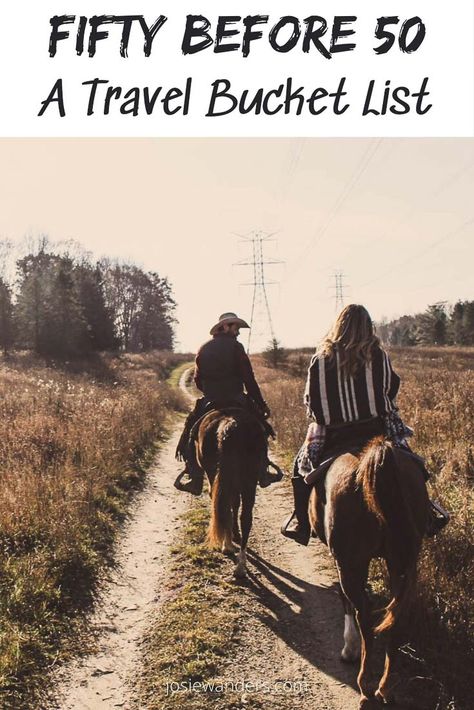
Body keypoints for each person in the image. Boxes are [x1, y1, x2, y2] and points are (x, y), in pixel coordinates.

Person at [281, 303, 450, 545]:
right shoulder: (379, 355)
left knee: (300, 468)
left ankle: (301, 523)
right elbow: (391, 389)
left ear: (339, 326)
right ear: (367, 328)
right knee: (412, 463)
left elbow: (313, 403)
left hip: (335, 435)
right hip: (377, 431)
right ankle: (427, 514)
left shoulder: (320, 360)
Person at [175, 311, 283, 495]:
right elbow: (248, 379)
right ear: (224, 327)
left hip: (210, 400)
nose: (238, 331)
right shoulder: (236, 347)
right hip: (236, 398)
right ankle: (263, 470)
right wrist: (260, 403)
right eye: (236, 327)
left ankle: (194, 475)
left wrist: (212, 391)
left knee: (191, 431)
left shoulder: (203, 348)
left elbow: (198, 380)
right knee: (261, 428)